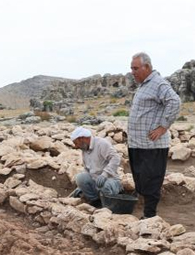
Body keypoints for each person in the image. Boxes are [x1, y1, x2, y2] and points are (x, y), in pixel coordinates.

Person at [128, 52, 181, 218]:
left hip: (152, 145)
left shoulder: (158, 83)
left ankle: (150, 216)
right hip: (137, 143)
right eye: (131, 68)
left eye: (135, 68)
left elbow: (175, 102)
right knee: (141, 180)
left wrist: (163, 127)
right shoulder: (144, 85)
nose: (132, 72)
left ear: (147, 67)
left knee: (151, 181)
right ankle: (146, 213)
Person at [70, 127, 123, 208]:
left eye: (76, 143)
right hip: (95, 182)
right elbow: (87, 170)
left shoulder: (101, 143)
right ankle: (96, 201)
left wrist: (105, 174)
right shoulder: (85, 149)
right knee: (80, 178)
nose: (76, 146)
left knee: (104, 185)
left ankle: (108, 205)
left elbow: (116, 158)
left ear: (82, 139)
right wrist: (81, 186)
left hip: (111, 181)